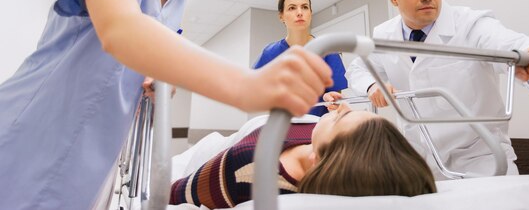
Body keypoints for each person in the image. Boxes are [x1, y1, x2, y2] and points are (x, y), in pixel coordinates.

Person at [0, 0, 332, 209]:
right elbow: (120, 30)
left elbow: (155, 54)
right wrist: (246, 87)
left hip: (101, 142)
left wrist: (162, 80)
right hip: (39, 122)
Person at [346, 0, 529, 178]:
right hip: (420, 165)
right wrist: (373, 87)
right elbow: (357, 69)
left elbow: (506, 42)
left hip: (481, 164)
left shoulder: (470, 24)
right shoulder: (383, 35)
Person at [169, 101, 436, 208]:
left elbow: (177, 193)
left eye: (341, 117)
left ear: (320, 161)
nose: (342, 106)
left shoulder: (246, 174)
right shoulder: (320, 135)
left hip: (194, 162)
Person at [253, 0, 347, 116]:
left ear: (310, 13)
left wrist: (332, 101)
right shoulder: (270, 53)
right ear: (281, 16)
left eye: (304, 7)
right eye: (292, 8)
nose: (299, 12)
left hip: (317, 128)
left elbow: (336, 98)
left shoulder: (328, 51)